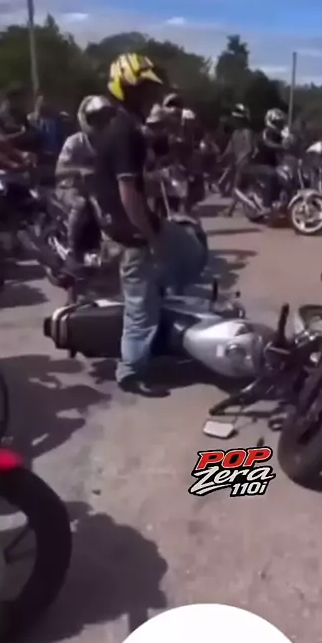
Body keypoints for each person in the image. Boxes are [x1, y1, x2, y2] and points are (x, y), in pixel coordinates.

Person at [91, 52, 205, 394]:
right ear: (124, 89)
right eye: (141, 90)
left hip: (128, 223)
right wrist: (149, 235)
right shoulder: (124, 132)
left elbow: (134, 179)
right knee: (141, 305)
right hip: (132, 231)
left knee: (188, 248)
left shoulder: (122, 127)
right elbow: (128, 193)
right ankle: (131, 371)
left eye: (149, 91)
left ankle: (165, 313)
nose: (148, 97)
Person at [55, 95, 116, 270]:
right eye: (96, 118)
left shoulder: (110, 142)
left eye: (105, 118)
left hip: (97, 189)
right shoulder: (75, 142)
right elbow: (58, 171)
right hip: (69, 188)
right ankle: (72, 250)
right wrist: (79, 170)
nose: (101, 123)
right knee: (80, 204)